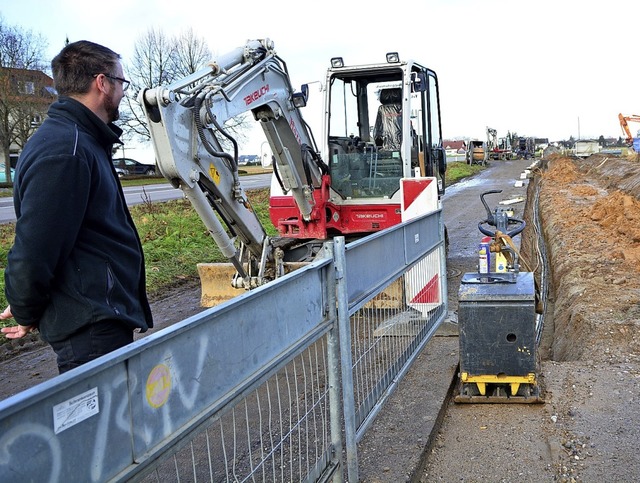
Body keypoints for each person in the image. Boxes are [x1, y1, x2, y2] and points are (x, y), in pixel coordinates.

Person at [0, 40, 153, 373]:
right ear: (102, 83)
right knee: (105, 424)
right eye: (121, 83)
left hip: (96, 318)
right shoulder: (67, 150)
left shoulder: (77, 140)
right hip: (91, 328)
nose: (123, 92)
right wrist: (26, 308)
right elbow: (35, 246)